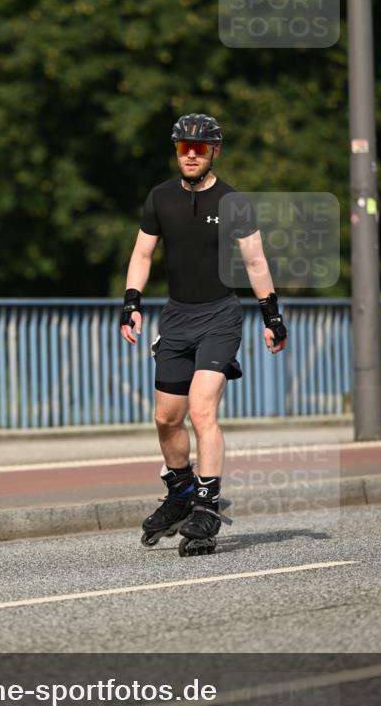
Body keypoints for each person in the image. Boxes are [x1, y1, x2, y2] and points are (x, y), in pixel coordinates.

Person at [119, 113, 287, 555]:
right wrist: (131, 305)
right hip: (176, 318)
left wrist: (271, 317)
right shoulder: (160, 198)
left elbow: (255, 261)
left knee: (201, 410)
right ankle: (180, 493)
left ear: (215, 151)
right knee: (165, 417)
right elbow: (142, 254)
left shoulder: (233, 202)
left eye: (199, 148)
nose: (190, 155)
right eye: (183, 147)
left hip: (220, 316)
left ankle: (207, 507)